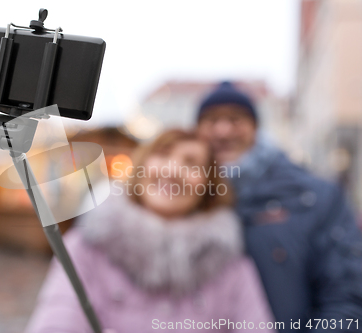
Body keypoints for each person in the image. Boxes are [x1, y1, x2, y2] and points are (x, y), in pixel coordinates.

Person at [26, 130, 276, 333]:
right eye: (163, 154)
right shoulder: (85, 248)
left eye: (191, 164)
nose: (172, 171)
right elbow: (56, 322)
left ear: (208, 189)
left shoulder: (232, 270)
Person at [195, 81, 362, 332]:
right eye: (211, 120)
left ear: (256, 128)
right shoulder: (181, 199)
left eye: (235, 119)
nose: (222, 131)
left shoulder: (315, 196)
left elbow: (346, 297)